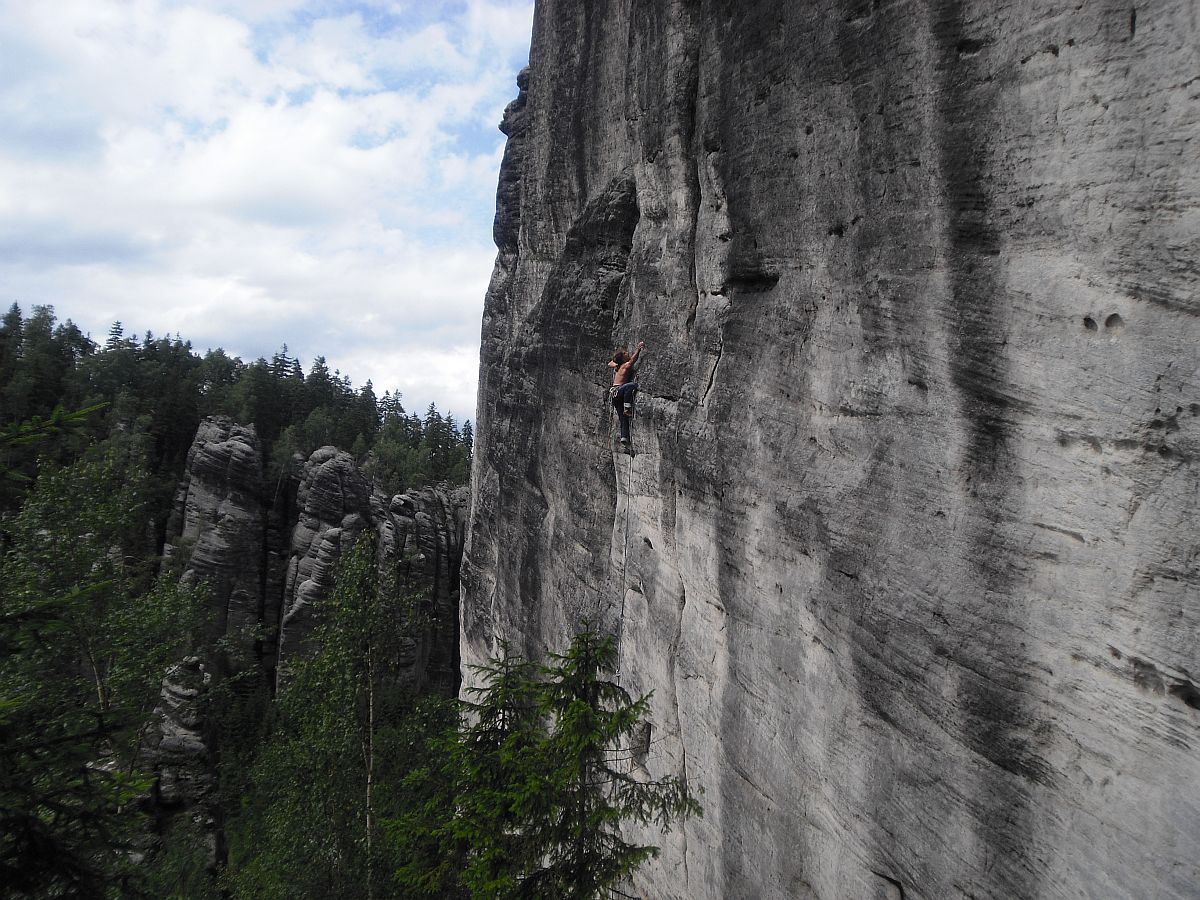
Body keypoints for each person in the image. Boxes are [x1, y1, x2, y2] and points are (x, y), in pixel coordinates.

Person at [609, 341, 644, 447]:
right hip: (619, 391)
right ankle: (627, 407)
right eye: (625, 353)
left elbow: (610, 363)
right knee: (631, 385)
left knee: (623, 419)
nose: (628, 354)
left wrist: (616, 360)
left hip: (615, 396)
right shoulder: (624, 366)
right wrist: (638, 349)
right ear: (623, 358)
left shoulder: (618, 366)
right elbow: (633, 360)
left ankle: (624, 438)